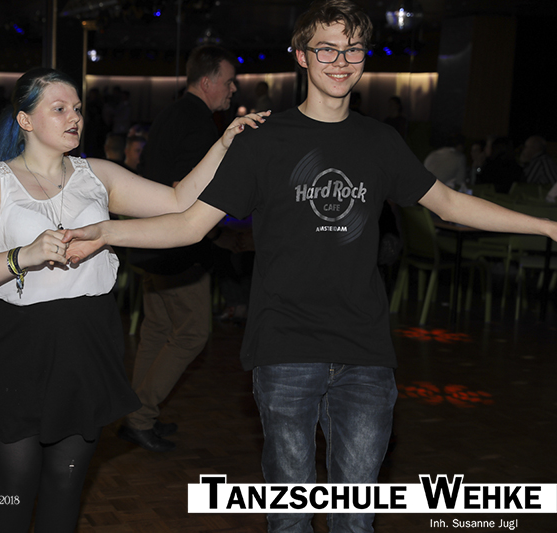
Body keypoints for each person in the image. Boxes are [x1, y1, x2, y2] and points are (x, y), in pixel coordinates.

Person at [61, 1, 557, 531]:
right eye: (326, 49)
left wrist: (547, 227)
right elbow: (188, 224)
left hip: (364, 353)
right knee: (290, 521)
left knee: (355, 521)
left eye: (352, 50)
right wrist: (106, 233)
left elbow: (451, 205)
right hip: (285, 349)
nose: (340, 61)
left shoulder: (380, 142)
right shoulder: (263, 140)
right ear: (301, 56)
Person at [0, 68, 265, 533]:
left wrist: (223, 144)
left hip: (88, 339)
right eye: (59, 109)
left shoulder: (97, 174)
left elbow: (179, 200)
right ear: (26, 120)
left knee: (65, 487)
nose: (74, 117)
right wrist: (24, 256)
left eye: (77, 108)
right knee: (16, 487)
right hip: (19, 344)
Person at [123, 44, 239, 453]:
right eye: (228, 82)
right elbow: (184, 191)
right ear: (207, 82)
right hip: (176, 251)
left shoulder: (170, 114)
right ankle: (140, 416)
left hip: (151, 245)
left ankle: (137, 415)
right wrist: (219, 232)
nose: (233, 89)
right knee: (191, 333)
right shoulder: (200, 126)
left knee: (156, 331)